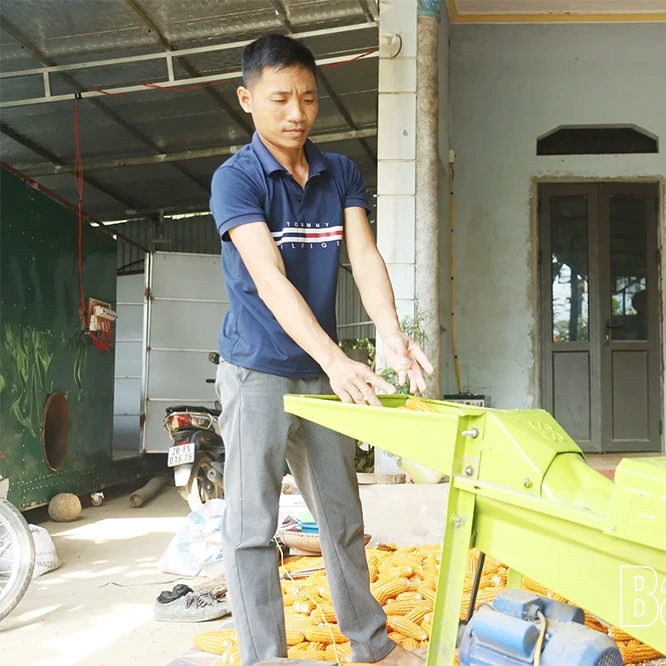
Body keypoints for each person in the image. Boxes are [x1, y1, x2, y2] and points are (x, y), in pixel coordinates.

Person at [208, 33, 431, 666]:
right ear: (247, 99)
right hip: (257, 372)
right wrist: (336, 359)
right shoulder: (236, 179)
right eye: (280, 99)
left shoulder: (340, 172)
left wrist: (390, 332)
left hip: (322, 374)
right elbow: (269, 278)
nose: (296, 113)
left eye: (307, 98)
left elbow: (365, 254)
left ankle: (373, 646)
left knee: (342, 518)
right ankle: (266, 658)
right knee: (251, 529)